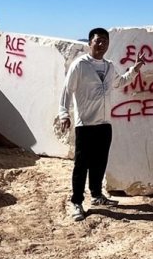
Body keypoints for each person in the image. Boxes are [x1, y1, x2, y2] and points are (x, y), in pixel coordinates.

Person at [55, 28, 146, 221]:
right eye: (98, 41)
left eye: (105, 41)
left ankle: (96, 196)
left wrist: (135, 69)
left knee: (100, 163)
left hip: (105, 124)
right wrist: (63, 114)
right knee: (81, 166)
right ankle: (77, 202)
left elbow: (119, 82)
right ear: (90, 43)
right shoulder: (80, 65)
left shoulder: (109, 66)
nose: (102, 44)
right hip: (85, 124)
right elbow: (67, 90)